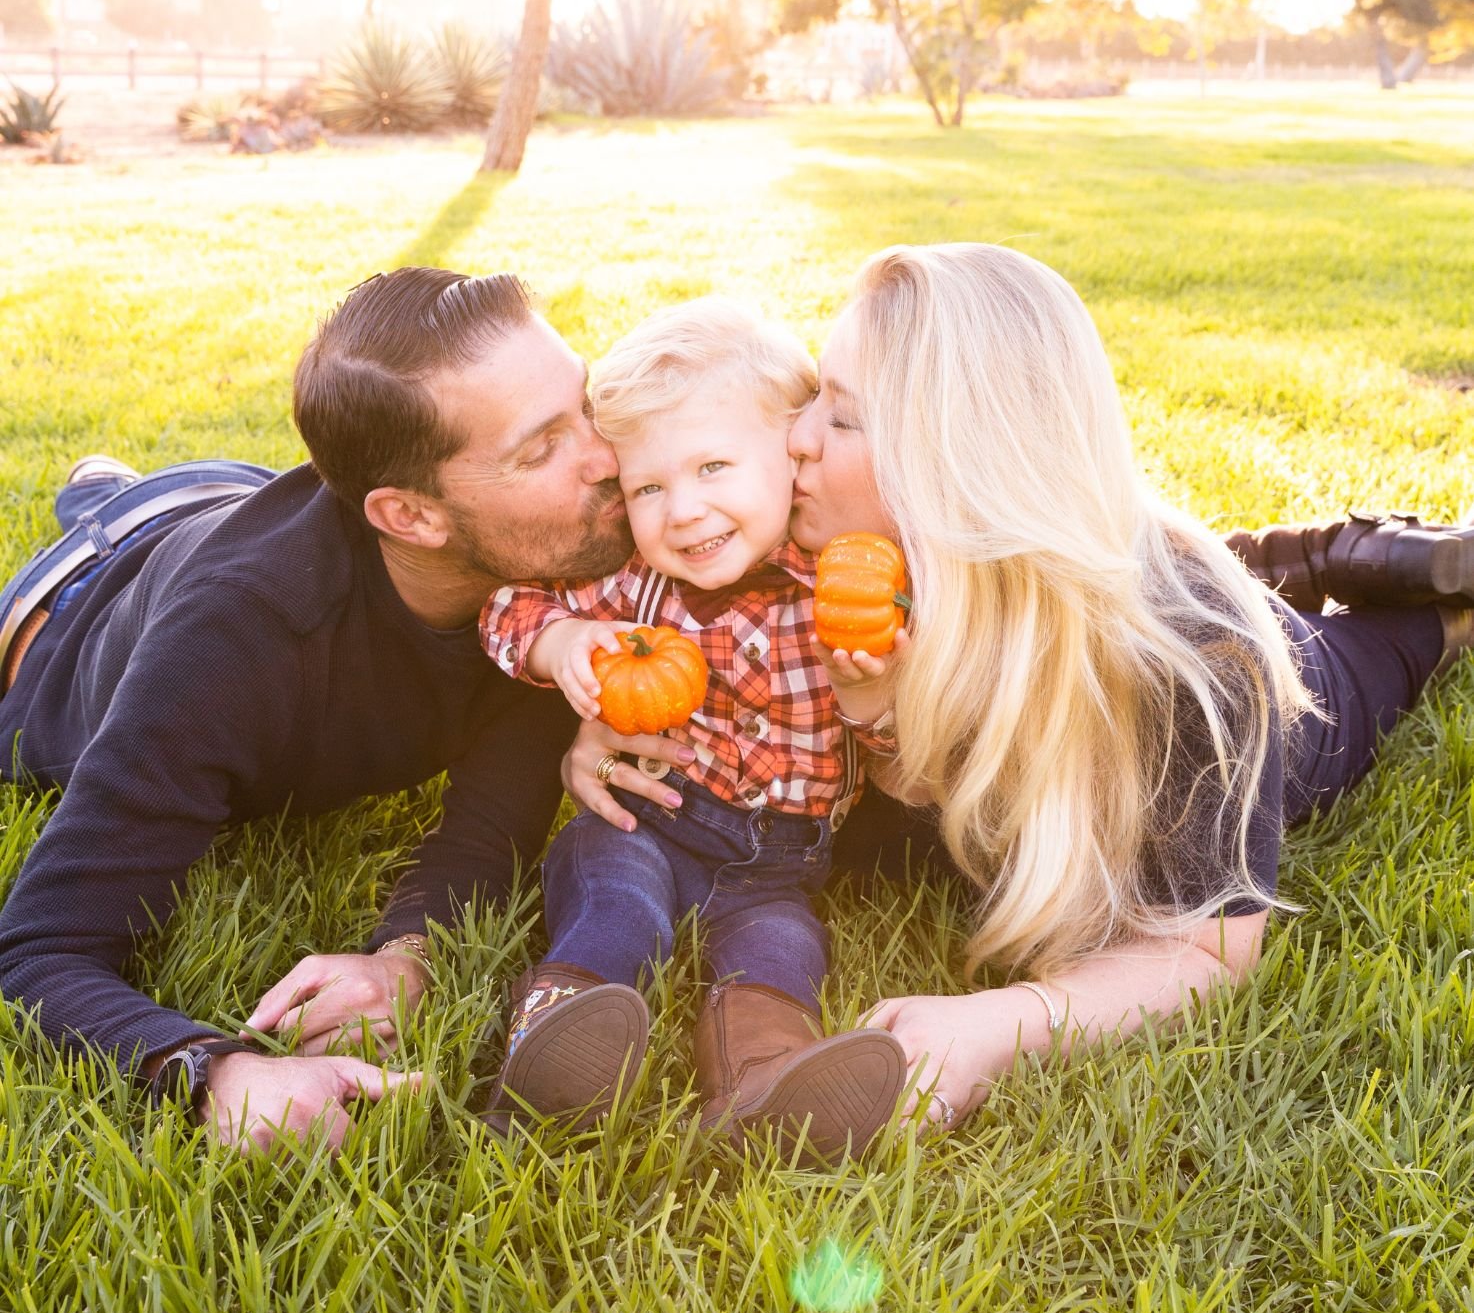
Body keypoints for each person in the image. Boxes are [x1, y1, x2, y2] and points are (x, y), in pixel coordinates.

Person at [785, 242, 1473, 1135]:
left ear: (956, 474)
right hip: (1059, 578)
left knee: (1393, 644)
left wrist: (994, 1026)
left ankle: (1411, 589)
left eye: (842, 419)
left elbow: (1207, 950)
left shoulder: (1197, 667)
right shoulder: (799, 576)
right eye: (813, 396)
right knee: (1141, 559)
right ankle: (1303, 551)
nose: (795, 435)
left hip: (1303, 684)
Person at [0, 267, 674, 1153]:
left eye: (583, 407)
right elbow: (36, 954)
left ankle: (122, 487)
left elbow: (485, 834)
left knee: (215, 499)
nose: (607, 458)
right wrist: (218, 1072)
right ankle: (105, 501)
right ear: (413, 516)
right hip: (74, 605)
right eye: (540, 448)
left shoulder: (549, 593)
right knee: (123, 528)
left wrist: (406, 961)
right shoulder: (235, 642)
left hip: (235, 498)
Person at [476, 298, 907, 1159]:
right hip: (645, 821)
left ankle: (762, 1079)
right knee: (619, 905)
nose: (681, 511)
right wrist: (560, 642)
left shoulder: (841, 589)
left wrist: (880, 693)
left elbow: (904, 761)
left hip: (778, 867)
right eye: (649, 487)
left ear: (793, 457)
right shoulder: (636, 585)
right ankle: (558, 1049)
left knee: (781, 948)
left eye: (714, 467)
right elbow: (506, 606)